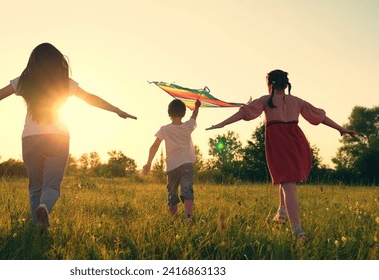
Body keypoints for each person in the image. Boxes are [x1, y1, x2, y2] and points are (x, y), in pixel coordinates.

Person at [0, 42, 137, 228]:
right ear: (58, 61)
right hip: (58, 137)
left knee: (35, 186)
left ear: (33, 61)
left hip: (31, 139)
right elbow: (91, 99)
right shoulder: (65, 83)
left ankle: (38, 227)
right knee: (51, 185)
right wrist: (117, 110)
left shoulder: (23, 82)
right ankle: (45, 207)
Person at [206, 69, 356, 242]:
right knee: (285, 179)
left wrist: (221, 124)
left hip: (279, 141)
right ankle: (281, 213)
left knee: (288, 183)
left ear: (270, 85)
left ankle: (298, 231)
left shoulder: (265, 100)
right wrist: (341, 129)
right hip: (296, 140)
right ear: (286, 84)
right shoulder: (296, 101)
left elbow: (242, 114)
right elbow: (320, 117)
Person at [143, 99, 200, 222]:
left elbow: (154, 146)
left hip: (172, 166)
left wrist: (149, 163)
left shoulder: (164, 129)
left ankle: (174, 219)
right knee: (187, 190)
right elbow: (194, 116)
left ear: (169, 113)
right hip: (186, 164)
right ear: (184, 112)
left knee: (172, 193)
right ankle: (188, 218)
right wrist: (197, 106)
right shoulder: (188, 126)